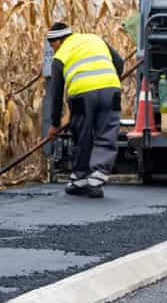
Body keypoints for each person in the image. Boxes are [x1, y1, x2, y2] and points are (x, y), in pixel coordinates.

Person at [44, 20, 122, 198]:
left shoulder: (60, 56)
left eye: (52, 46)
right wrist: (108, 82)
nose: (53, 50)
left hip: (82, 94)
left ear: (57, 42)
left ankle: (80, 178)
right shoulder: (95, 39)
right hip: (111, 88)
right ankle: (96, 178)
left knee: (82, 134)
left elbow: (55, 94)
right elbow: (120, 62)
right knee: (107, 131)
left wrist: (54, 124)